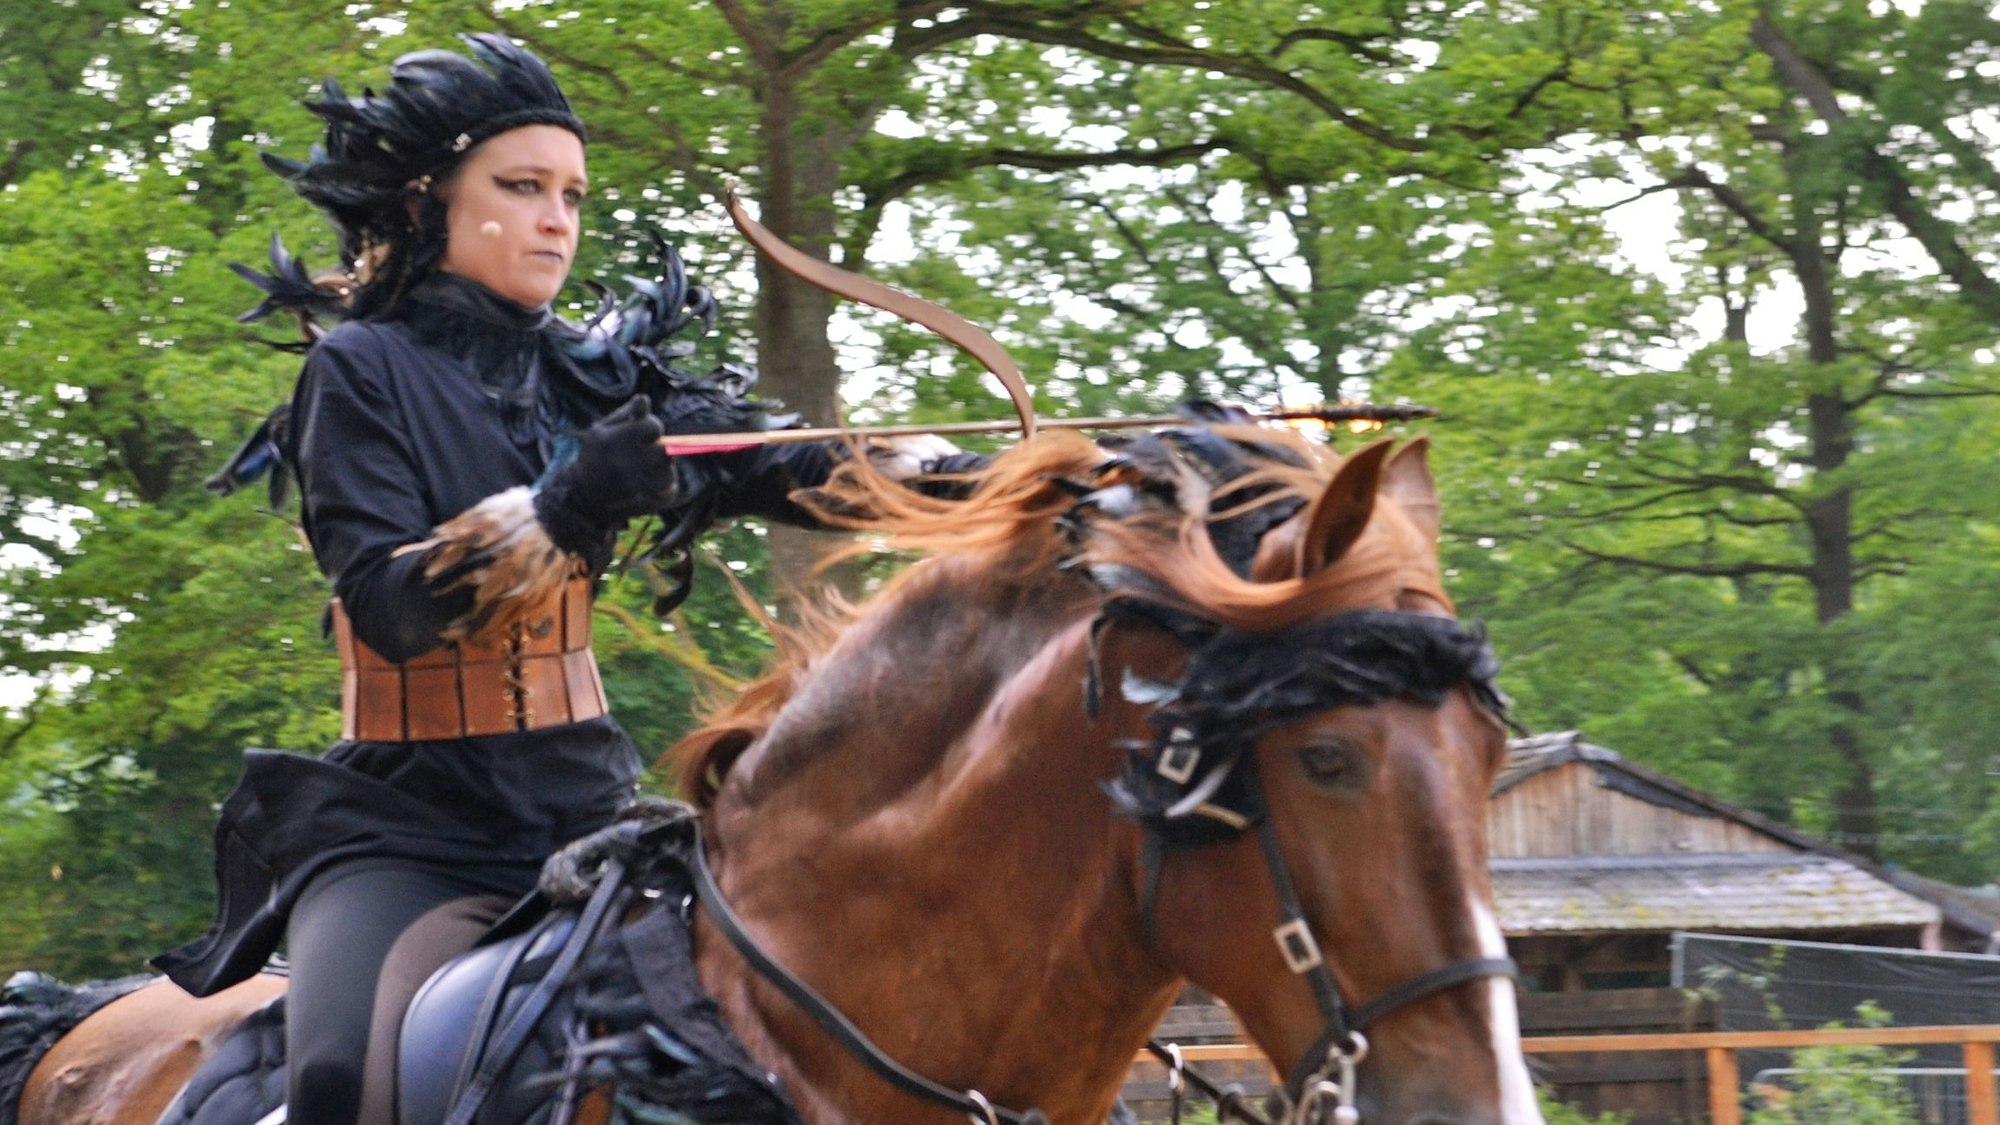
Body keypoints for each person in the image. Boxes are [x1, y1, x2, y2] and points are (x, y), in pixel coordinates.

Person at [153, 34, 900, 1125]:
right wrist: (563, 508)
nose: (557, 218)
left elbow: (796, 469)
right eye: (522, 187)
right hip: (408, 833)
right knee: (332, 1085)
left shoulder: (592, 375)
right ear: (425, 203)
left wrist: (1034, 477)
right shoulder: (358, 373)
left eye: (572, 195)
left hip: (587, 806)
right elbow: (391, 610)